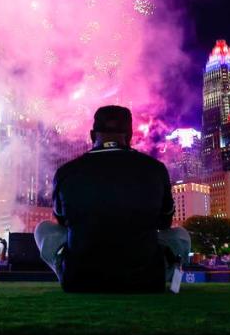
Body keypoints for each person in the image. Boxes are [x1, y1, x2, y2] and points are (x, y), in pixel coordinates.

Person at [34, 105, 191, 293]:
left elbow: (62, 221)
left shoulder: (66, 172)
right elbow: (165, 223)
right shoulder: (155, 169)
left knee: (43, 229)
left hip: (80, 280)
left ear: (93, 135)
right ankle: (166, 281)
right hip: (146, 280)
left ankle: (67, 272)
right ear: (130, 134)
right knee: (181, 235)